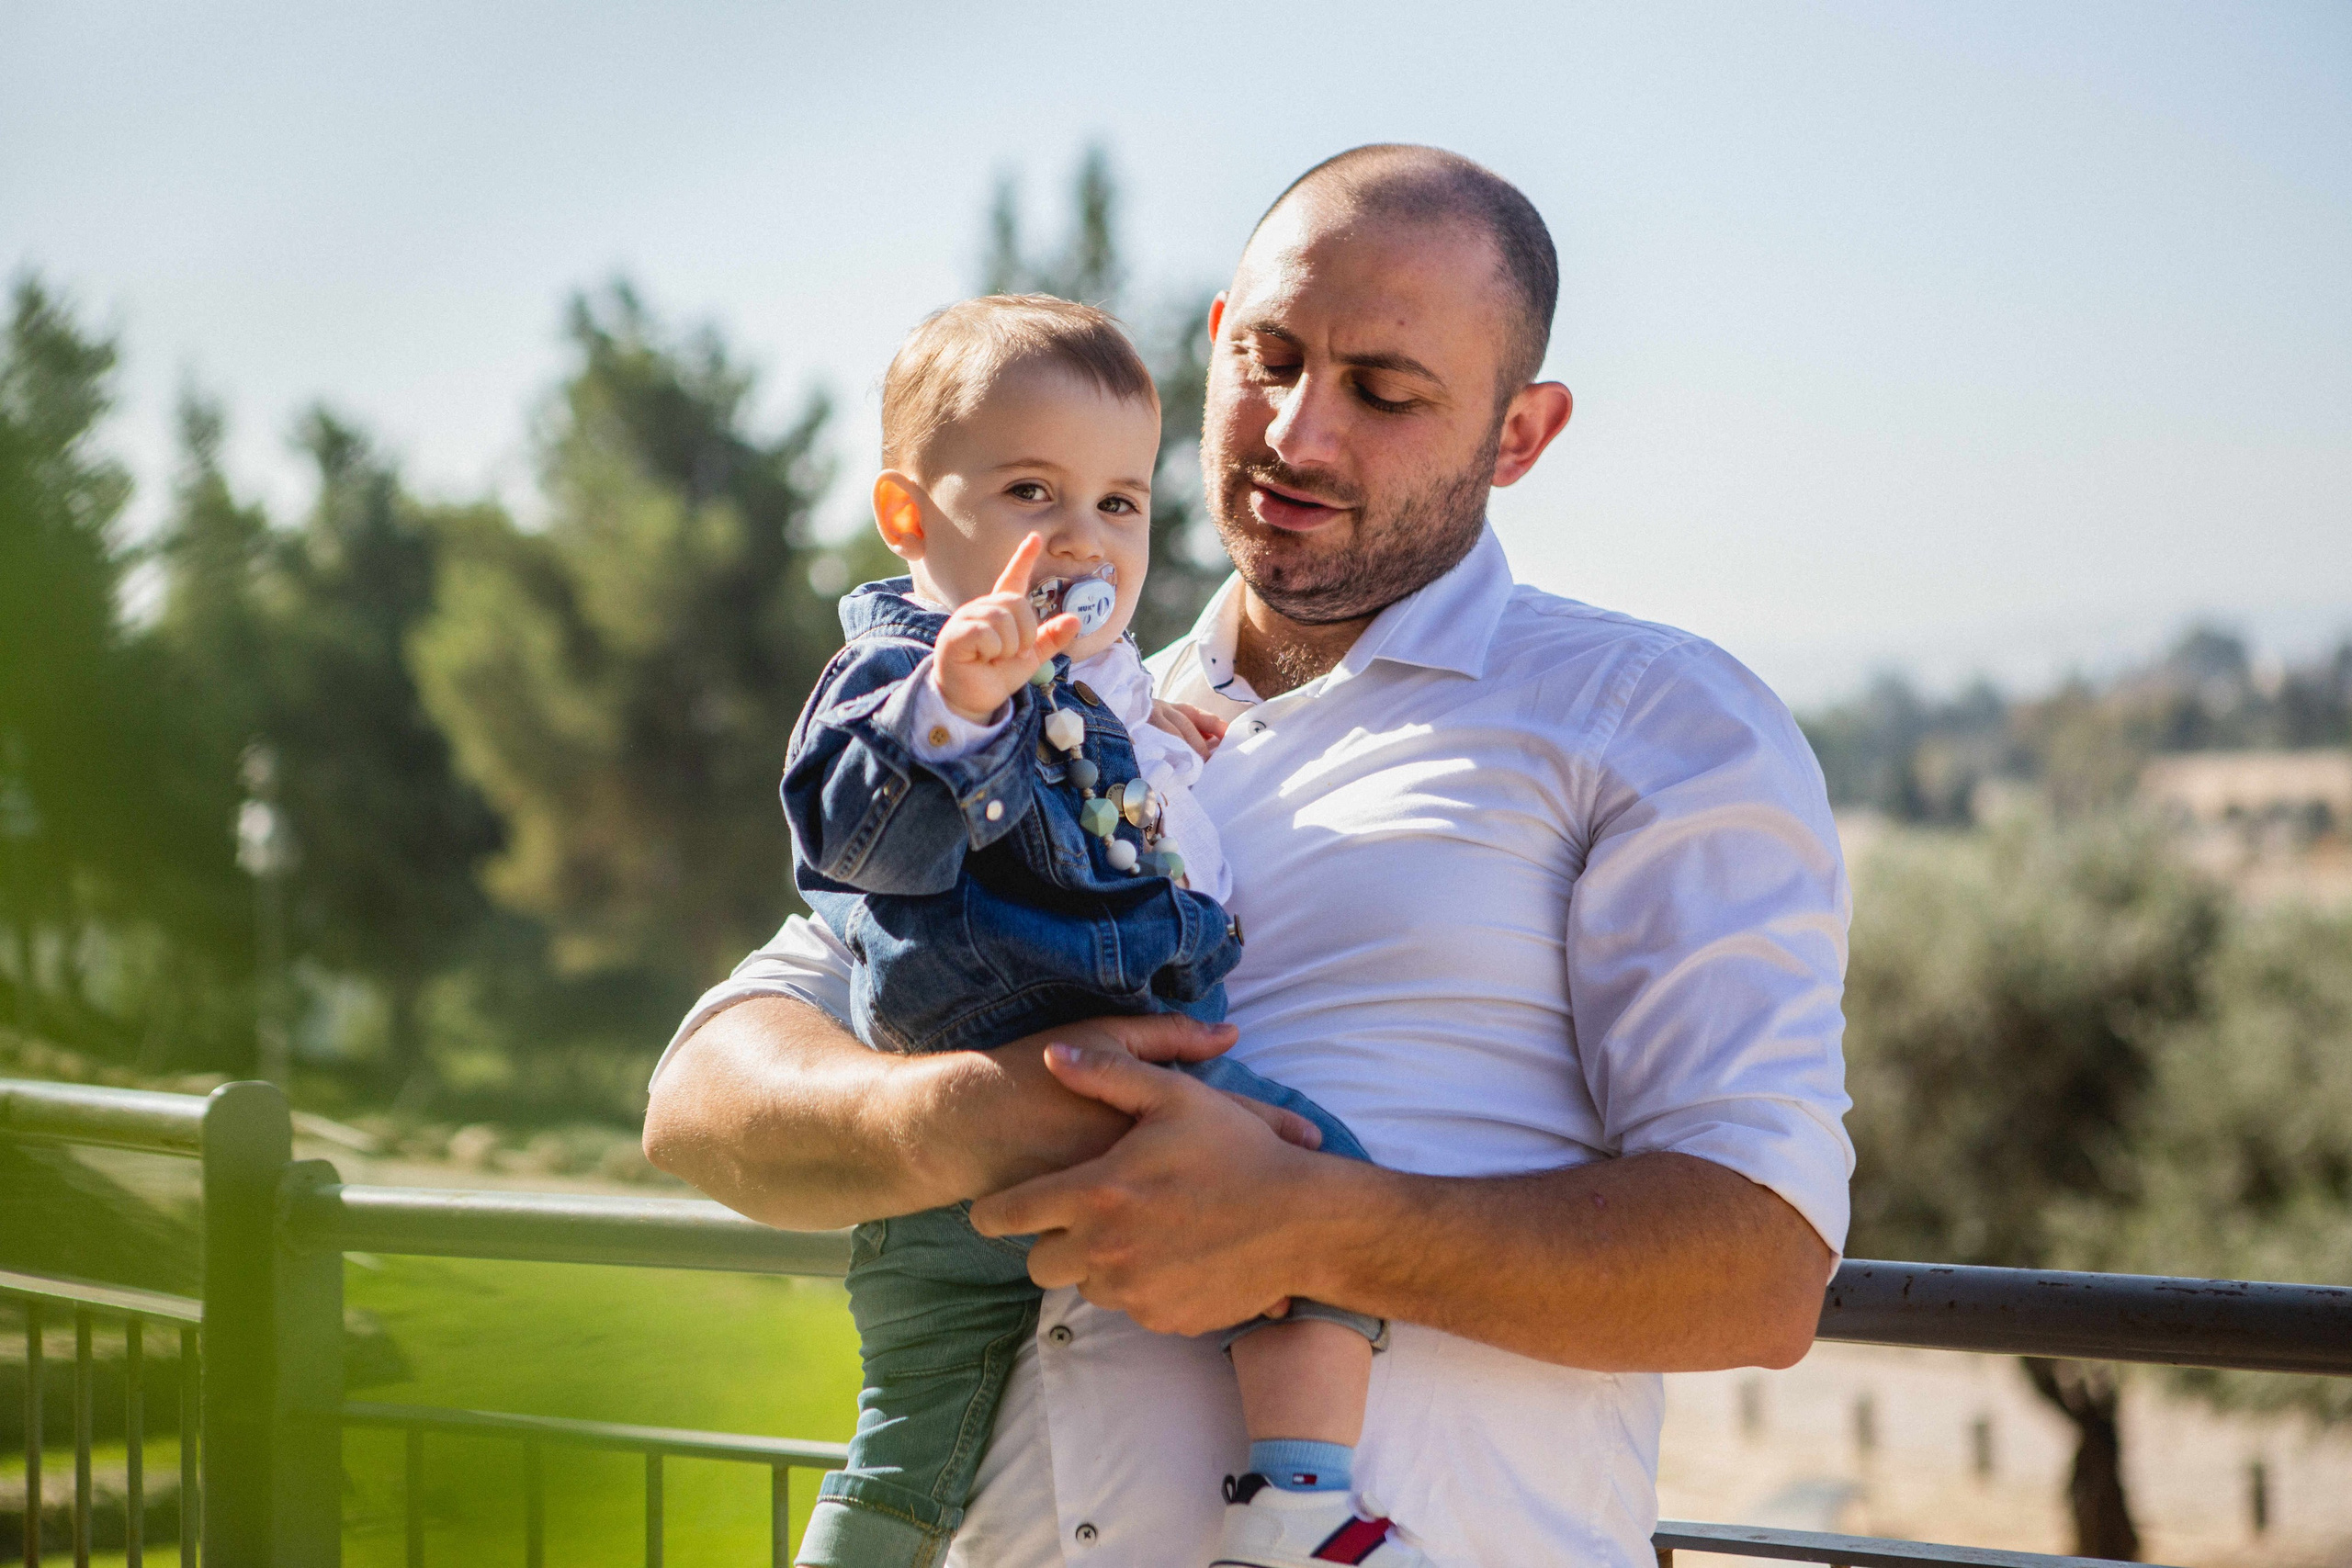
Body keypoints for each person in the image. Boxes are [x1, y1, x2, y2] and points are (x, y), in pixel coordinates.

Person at [645, 144, 1854, 1568]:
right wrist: (975, 1118)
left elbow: (1760, 1268)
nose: (1297, 432)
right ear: (1215, 341)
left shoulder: (1654, 720)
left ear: (1520, 435)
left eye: (1385, 392)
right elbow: (702, 1097)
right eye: (1267, 361)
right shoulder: (1061, 720)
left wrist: (1313, 1228)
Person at [783, 294, 1421, 1568]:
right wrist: (958, 706)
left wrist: (1157, 750)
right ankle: (1300, 1510)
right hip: (1087, 1086)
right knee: (1323, 1200)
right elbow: (849, 845)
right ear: (908, 516)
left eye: (1120, 502)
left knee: (916, 1436)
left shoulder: (1114, 691)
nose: (1084, 536)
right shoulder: (904, 678)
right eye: (1032, 491)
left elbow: (1101, 788)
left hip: (985, 1156)